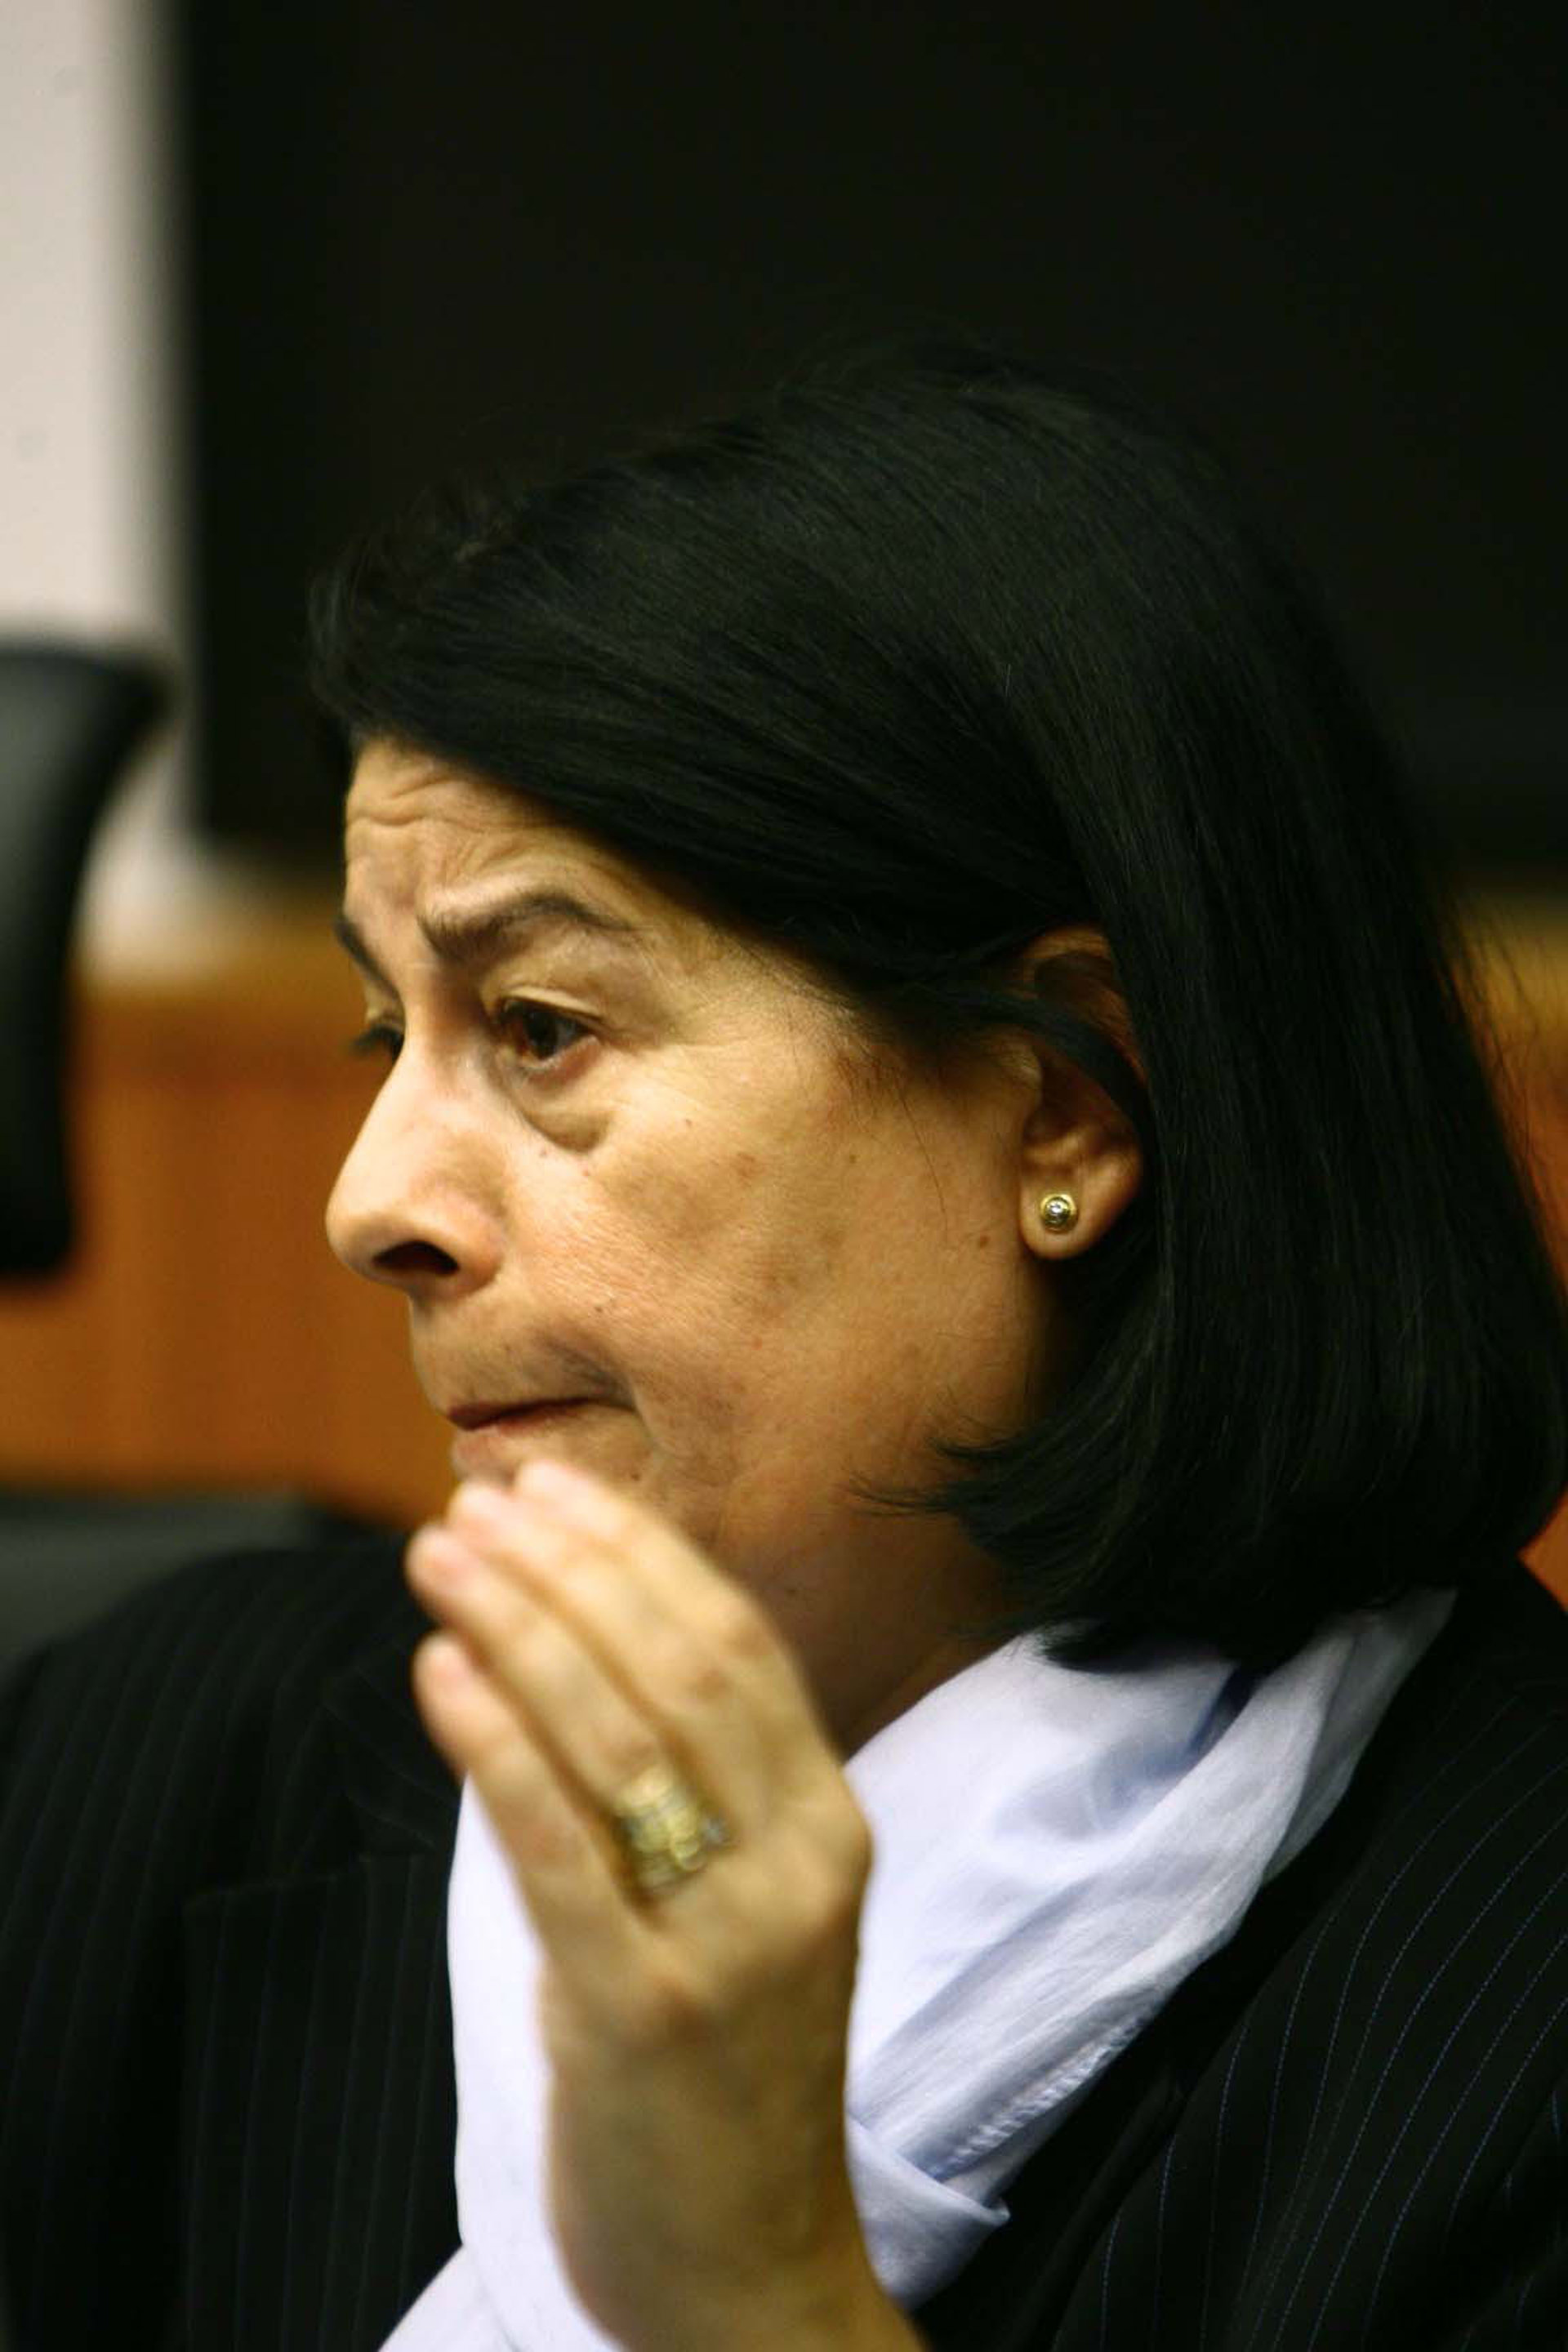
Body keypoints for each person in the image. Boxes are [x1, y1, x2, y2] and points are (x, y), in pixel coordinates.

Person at [3, 341, 1567, 2352]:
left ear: (1065, 1108)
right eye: (389, 1032)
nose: (370, 1202)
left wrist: (756, 2292)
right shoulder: (147, 1760)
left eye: (542, 1029)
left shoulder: (1510, 2018)